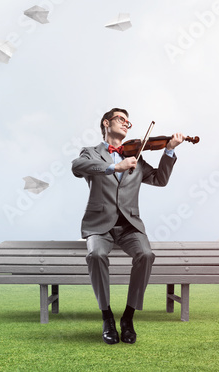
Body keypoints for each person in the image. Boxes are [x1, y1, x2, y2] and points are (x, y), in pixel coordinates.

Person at [71, 107, 182, 344]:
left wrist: (169, 150)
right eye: (121, 119)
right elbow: (77, 167)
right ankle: (107, 316)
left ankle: (128, 317)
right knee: (96, 255)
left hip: (130, 225)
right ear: (106, 123)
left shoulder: (136, 157)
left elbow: (160, 179)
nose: (125, 124)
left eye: (128, 122)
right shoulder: (91, 153)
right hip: (99, 225)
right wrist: (114, 167)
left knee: (146, 255)